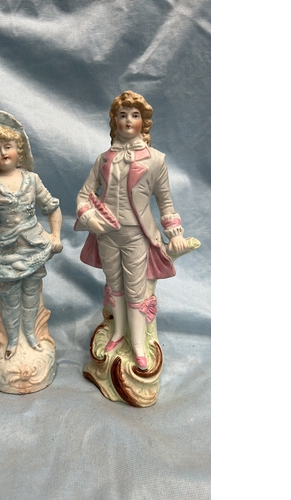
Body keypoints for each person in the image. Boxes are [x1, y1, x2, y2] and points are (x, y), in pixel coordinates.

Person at [75, 91, 186, 370]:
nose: (127, 120)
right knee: (114, 285)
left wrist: (175, 234)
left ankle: (137, 343)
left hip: (136, 234)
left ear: (143, 123)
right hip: (107, 235)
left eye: (134, 115)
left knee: (136, 289)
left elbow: (165, 202)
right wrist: (89, 217)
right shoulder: (103, 159)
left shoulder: (155, 160)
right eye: (122, 115)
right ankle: (118, 332)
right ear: (114, 120)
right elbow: (84, 194)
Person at [0, 111, 62, 360]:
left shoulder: (32, 180)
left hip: (34, 245)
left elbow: (52, 207)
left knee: (31, 292)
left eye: (8, 147)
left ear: (19, 149)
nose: (3, 153)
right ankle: (12, 339)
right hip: (4, 250)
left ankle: (31, 334)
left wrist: (56, 236)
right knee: (9, 297)